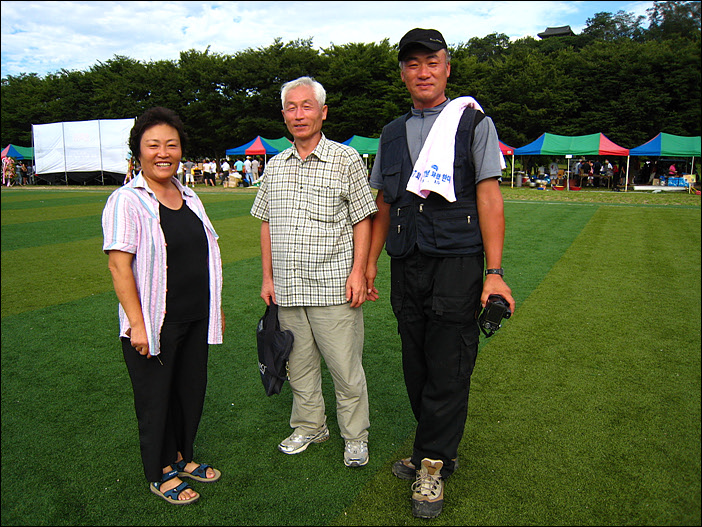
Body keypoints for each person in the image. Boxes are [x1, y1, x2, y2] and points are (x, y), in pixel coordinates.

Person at [365, 28, 515, 519]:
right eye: (412, 64)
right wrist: (368, 265)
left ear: (447, 68)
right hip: (406, 261)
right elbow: (384, 207)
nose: (422, 72)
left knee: (448, 367)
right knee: (417, 366)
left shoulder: (473, 123)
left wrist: (494, 272)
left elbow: (490, 196)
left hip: (458, 261)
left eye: (432, 62)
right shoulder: (389, 134)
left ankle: (432, 465)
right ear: (403, 73)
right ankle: (432, 444)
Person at [250, 76, 378, 468]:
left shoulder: (346, 159)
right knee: (299, 366)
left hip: (334, 286)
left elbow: (362, 219)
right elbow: (266, 222)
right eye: (292, 107)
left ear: (323, 112)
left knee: (345, 369)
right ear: (284, 115)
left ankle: (355, 436)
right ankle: (310, 426)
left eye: (307, 106)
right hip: (287, 289)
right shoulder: (275, 166)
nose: (299, 114)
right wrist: (268, 278)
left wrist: (359, 272)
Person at [102, 107, 225, 506]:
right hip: (154, 321)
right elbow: (119, 266)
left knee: (189, 393)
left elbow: (205, 254)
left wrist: (215, 307)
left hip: (195, 316)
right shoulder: (127, 200)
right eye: (153, 144)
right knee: (156, 400)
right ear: (138, 152)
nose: (163, 152)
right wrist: (137, 325)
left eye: (171, 144)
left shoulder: (189, 196)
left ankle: (181, 458)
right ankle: (159, 472)